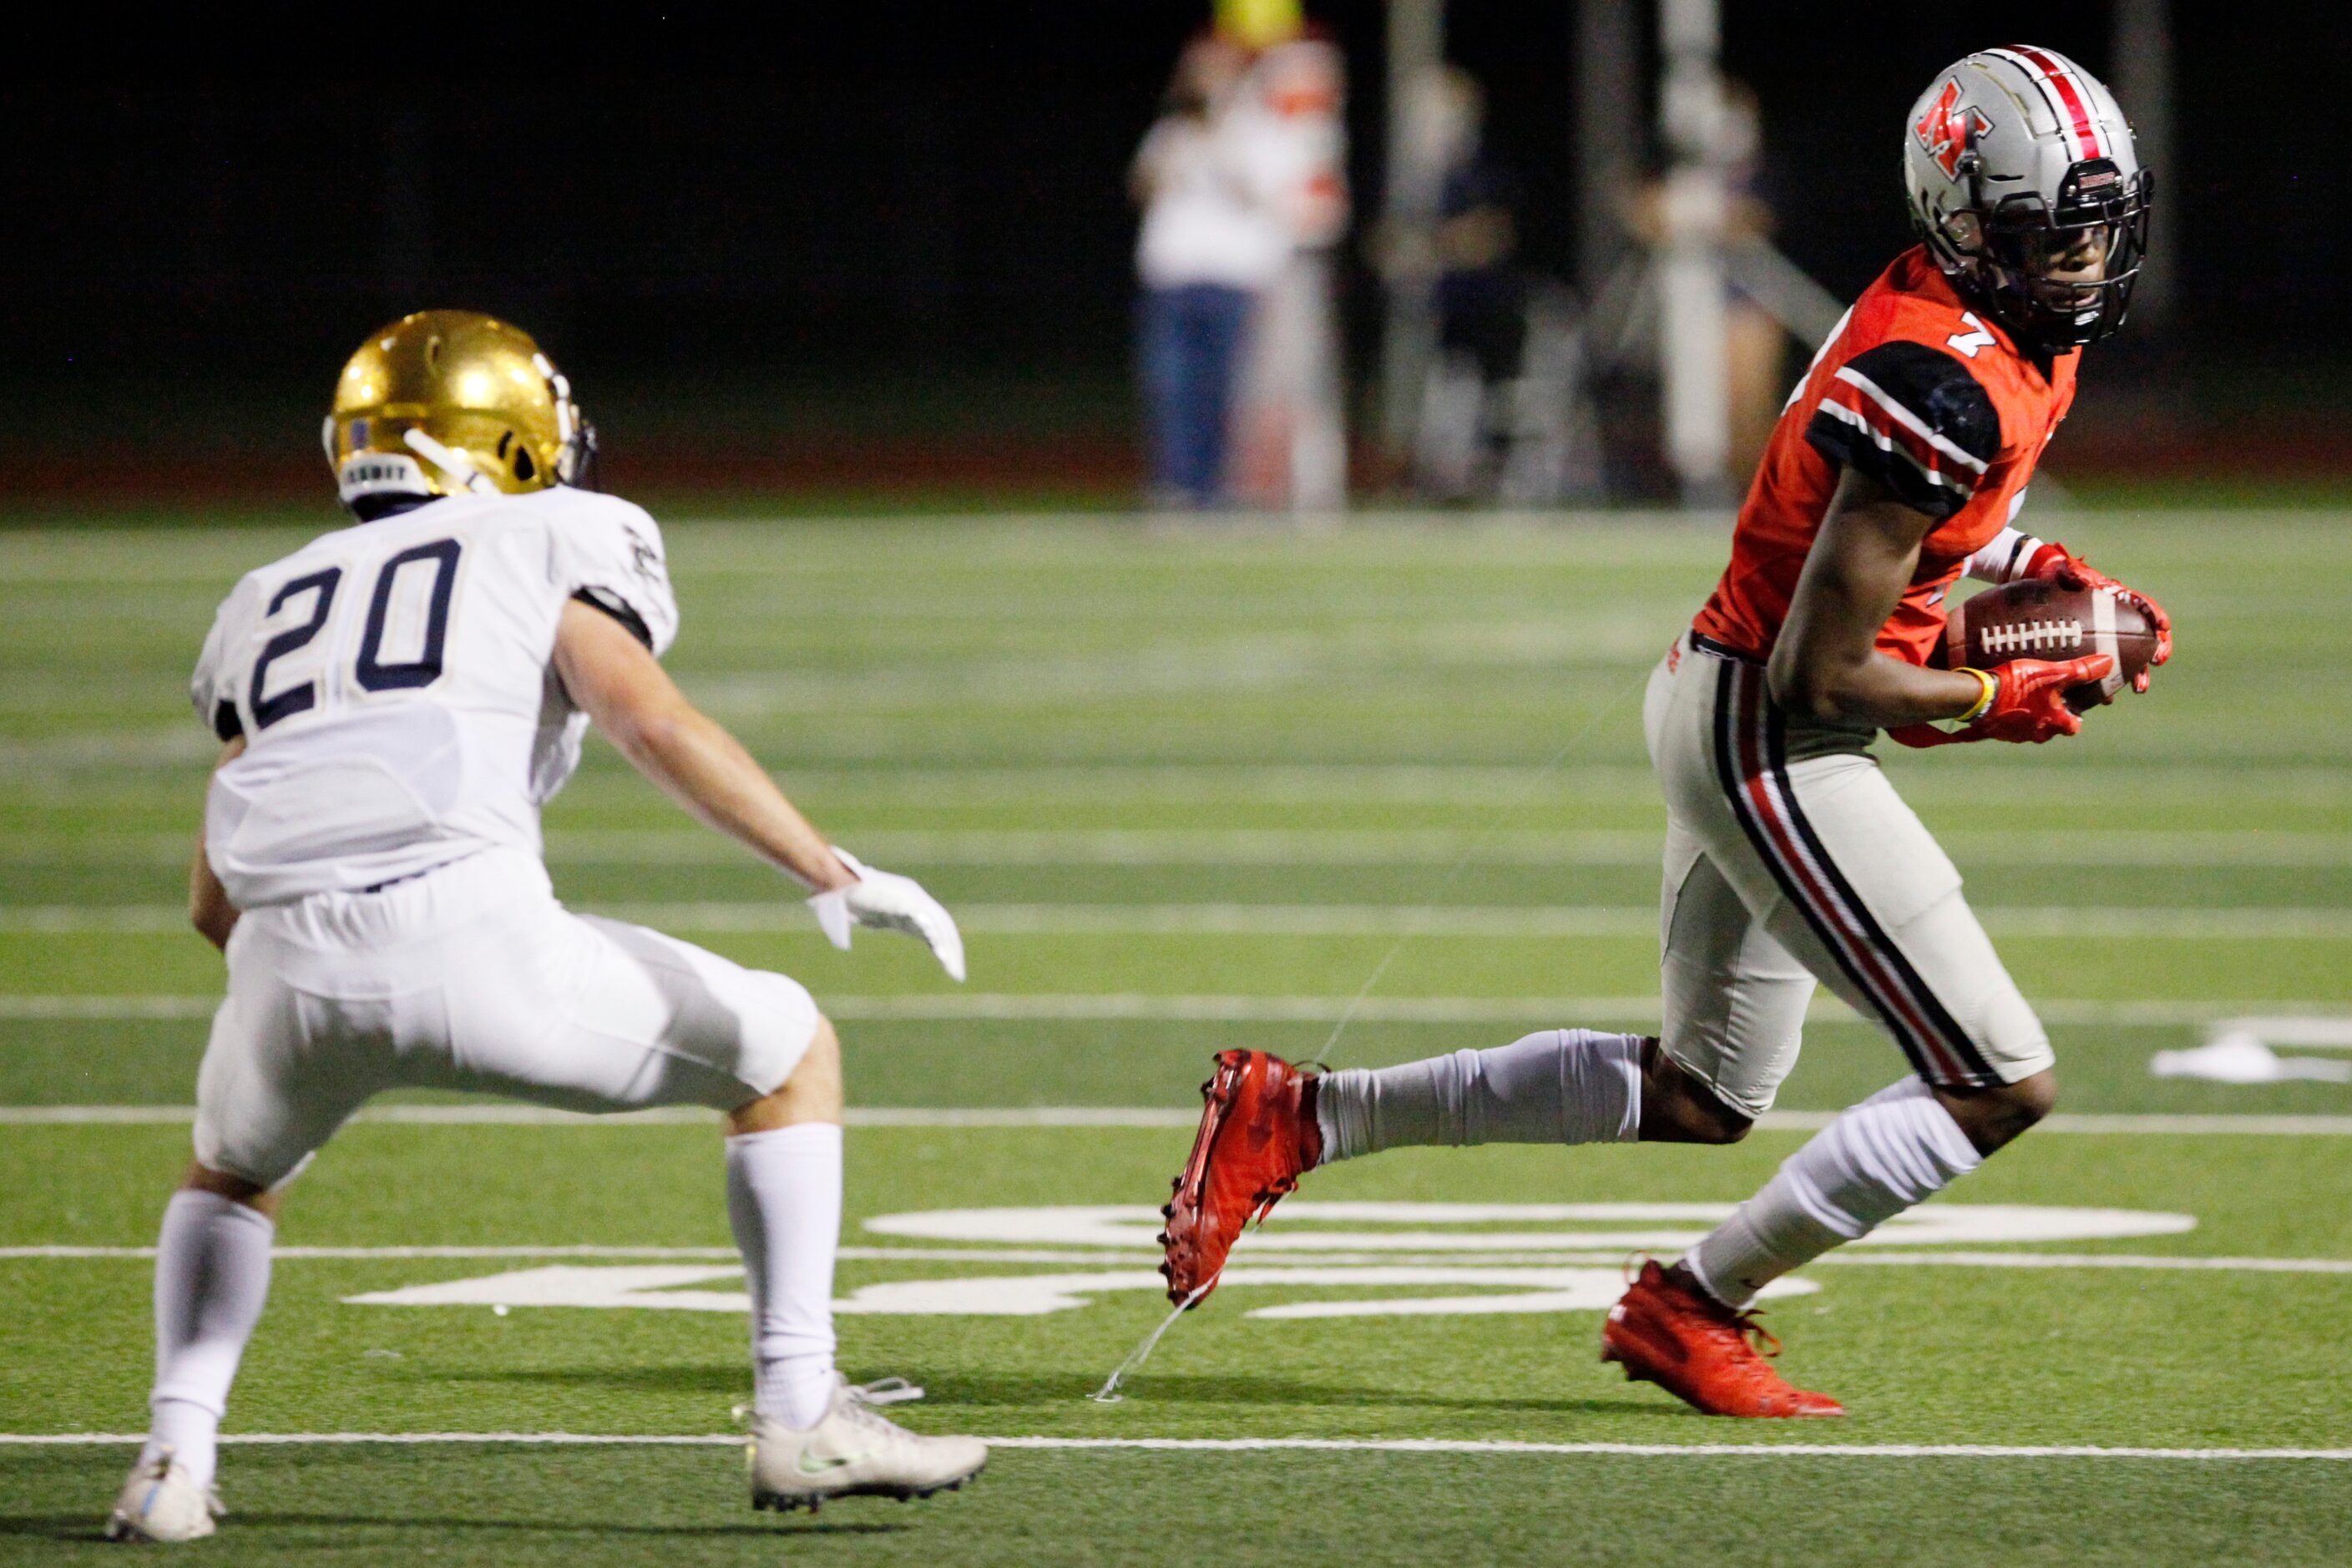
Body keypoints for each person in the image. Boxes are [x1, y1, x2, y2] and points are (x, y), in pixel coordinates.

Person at [1160, 47, 2171, 1417]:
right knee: (1997, 1081)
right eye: (2046, 237)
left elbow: (1941, 521)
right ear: (1963, 220)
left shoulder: (1962, 323)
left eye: (2096, 230)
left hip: (1726, 696)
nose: (2077, 264)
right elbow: (1828, 671)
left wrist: (2051, 578)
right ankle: (1694, 1303)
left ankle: (1300, 1114)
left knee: (1702, 1090)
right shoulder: (1939, 376)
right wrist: (1996, 690)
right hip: (1767, 727)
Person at [106, 311, 989, 1542]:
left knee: (234, 1171)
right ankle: (801, 1412)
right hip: (473, 931)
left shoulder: (266, 595)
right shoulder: (551, 531)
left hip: (277, 966)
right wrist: (822, 866)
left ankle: (169, 1461)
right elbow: (650, 723)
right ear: (504, 440)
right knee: (788, 1051)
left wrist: (317, 1001)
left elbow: (211, 893)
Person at [1131, 33, 1286, 508]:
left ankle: (1215, 489)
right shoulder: (1171, 133)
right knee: (1170, 384)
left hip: (1230, 279)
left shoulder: (1255, 131)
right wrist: (1185, 145)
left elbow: (1261, 197)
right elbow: (1141, 188)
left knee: (1221, 390)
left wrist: (1220, 143)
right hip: (1173, 276)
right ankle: (1176, 485)